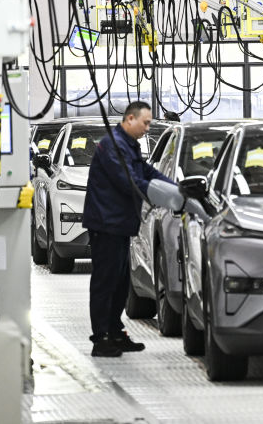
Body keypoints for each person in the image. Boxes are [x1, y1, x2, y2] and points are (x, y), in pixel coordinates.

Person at [82, 102, 174, 357]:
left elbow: (145, 170)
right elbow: (129, 181)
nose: (147, 128)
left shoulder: (128, 144)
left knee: (121, 283)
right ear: (130, 119)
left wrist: (173, 187)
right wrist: (160, 195)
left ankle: (114, 331)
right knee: (105, 282)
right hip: (106, 224)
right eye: (145, 123)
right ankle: (101, 338)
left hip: (119, 224)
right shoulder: (112, 145)